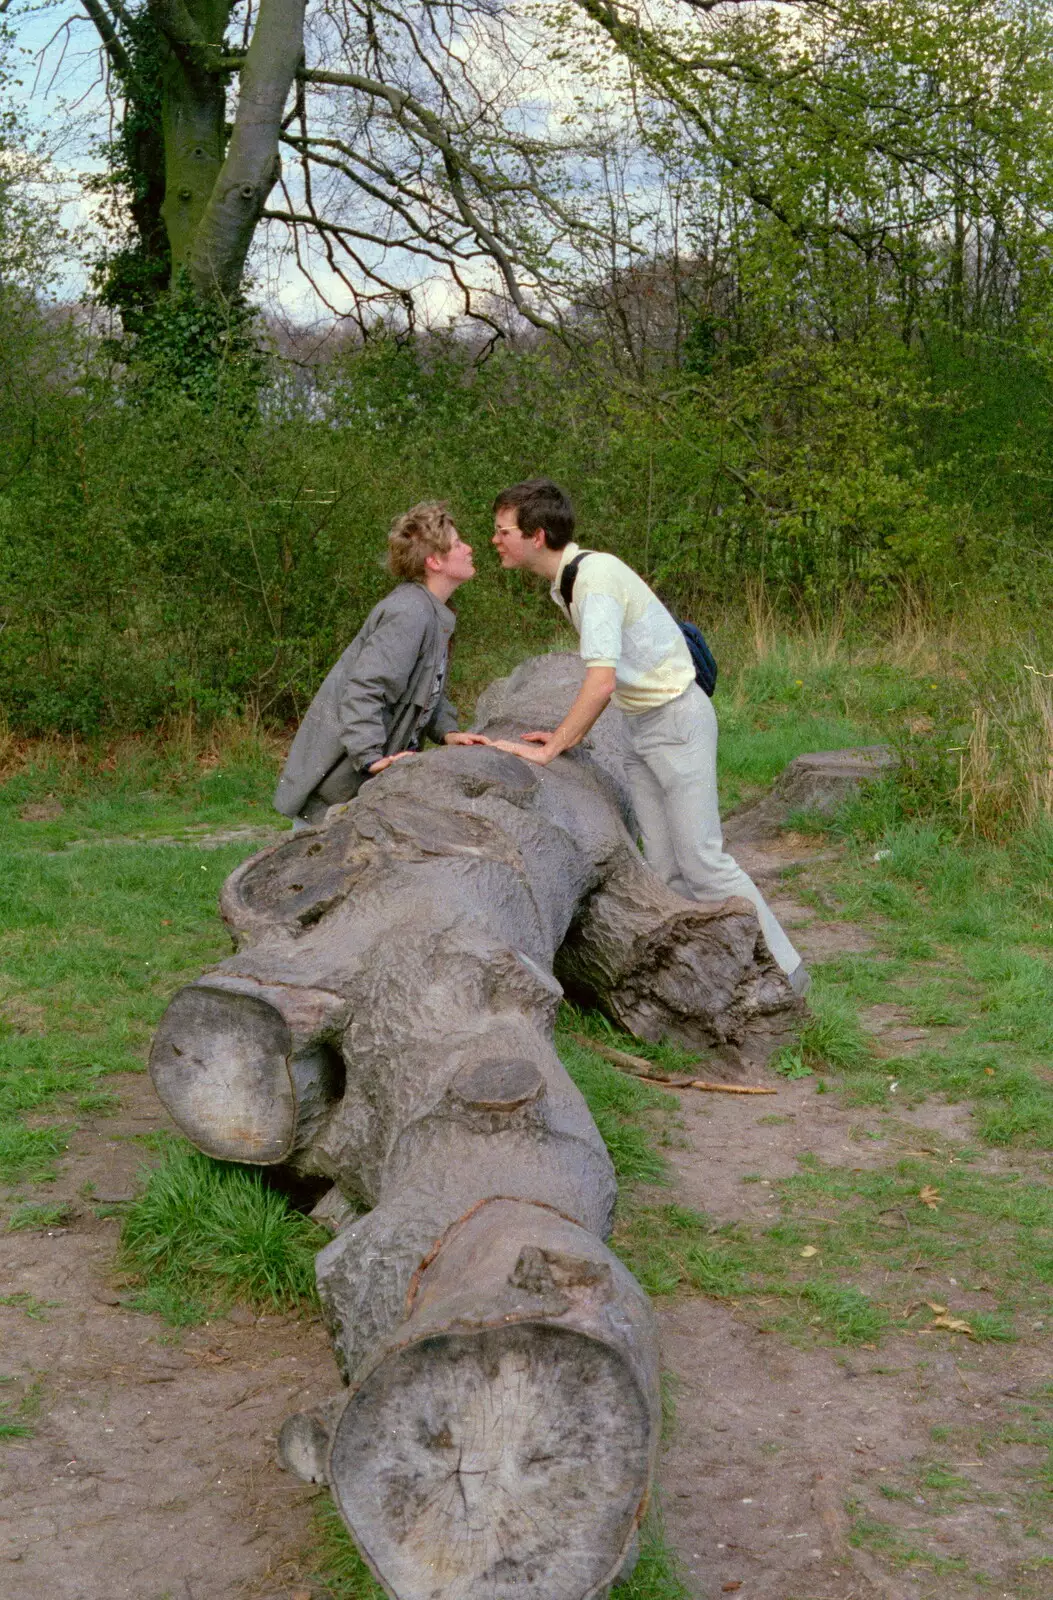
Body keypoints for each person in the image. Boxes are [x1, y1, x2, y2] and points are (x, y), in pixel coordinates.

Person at [490, 478, 808, 993]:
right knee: (664, 870)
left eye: (502, 531)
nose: (495, 540)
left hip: (676, 721)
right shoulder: (570, 580)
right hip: (643, 726)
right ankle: (713, 982)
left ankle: (789, 974)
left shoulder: (592, 579)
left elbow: (600, 681)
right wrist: (561, 734)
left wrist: (553, 745)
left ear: (537, 535)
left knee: (704, 863)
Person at [274, 501, 486, 827]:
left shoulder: (432, 610)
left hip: (358, 783)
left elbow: (427, 688)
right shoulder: (409, 613)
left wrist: (447, 732)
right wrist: (371, 757)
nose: (469, 548)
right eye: (458, 544)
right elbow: (363, 689)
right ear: (434, 561)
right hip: (339, 788)